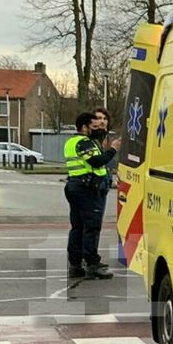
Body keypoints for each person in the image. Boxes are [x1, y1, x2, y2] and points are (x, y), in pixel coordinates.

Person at [65, 111, 119, 279]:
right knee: (91, 228)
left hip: (76, 186)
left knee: (78, 227)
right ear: (84, 127)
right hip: (86, 188)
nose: (96, 129)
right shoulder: (83, 142)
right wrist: (113, 150)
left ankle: (75, 263)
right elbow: (96, 161)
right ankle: (92, 263)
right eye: (93, 126)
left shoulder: (72, 142)